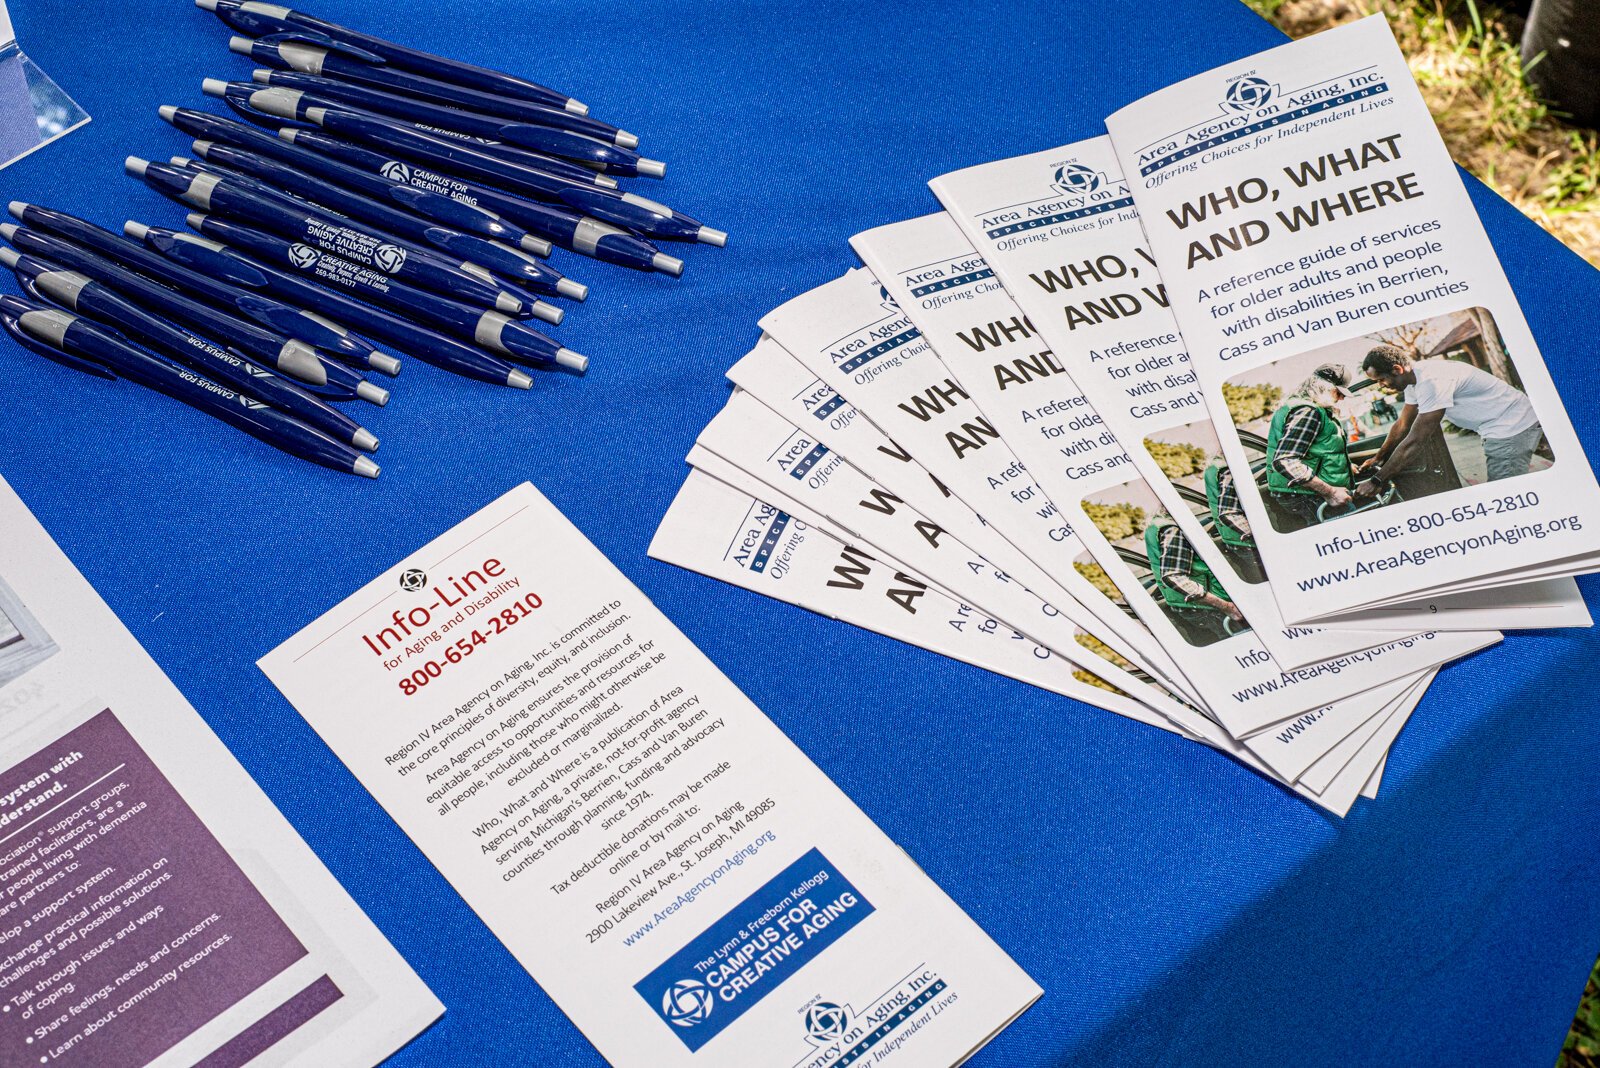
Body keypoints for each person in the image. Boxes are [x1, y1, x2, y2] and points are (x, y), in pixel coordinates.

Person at [1357, 344, 1543, 487]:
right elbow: (1403, 424)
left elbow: (1416, 439)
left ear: (1397, 369)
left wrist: (1377, 481)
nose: (1381, 385)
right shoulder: (1414, 380)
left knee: (1506, 492)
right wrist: (1379, 457)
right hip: (1500, 425)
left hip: (1510, 426)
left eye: (1381, 379)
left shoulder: (1431, 381)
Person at [1263, 364, 1356, 529]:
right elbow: (1286, 460)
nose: (1341, 398)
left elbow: (1315, 450)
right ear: (1324, 388)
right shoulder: (1308, 412)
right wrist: (1331, 492)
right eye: (1339, 392)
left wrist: (1344, 466)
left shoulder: (1298, 406)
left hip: (1301, 492)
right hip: (1310, 495)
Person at [1144, 518, 1244, 626]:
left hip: (1185, 604)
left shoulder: (1155, 524)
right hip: (1209, 607)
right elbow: (1174, 576)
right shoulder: (1172, 529)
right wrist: (1227, 607)